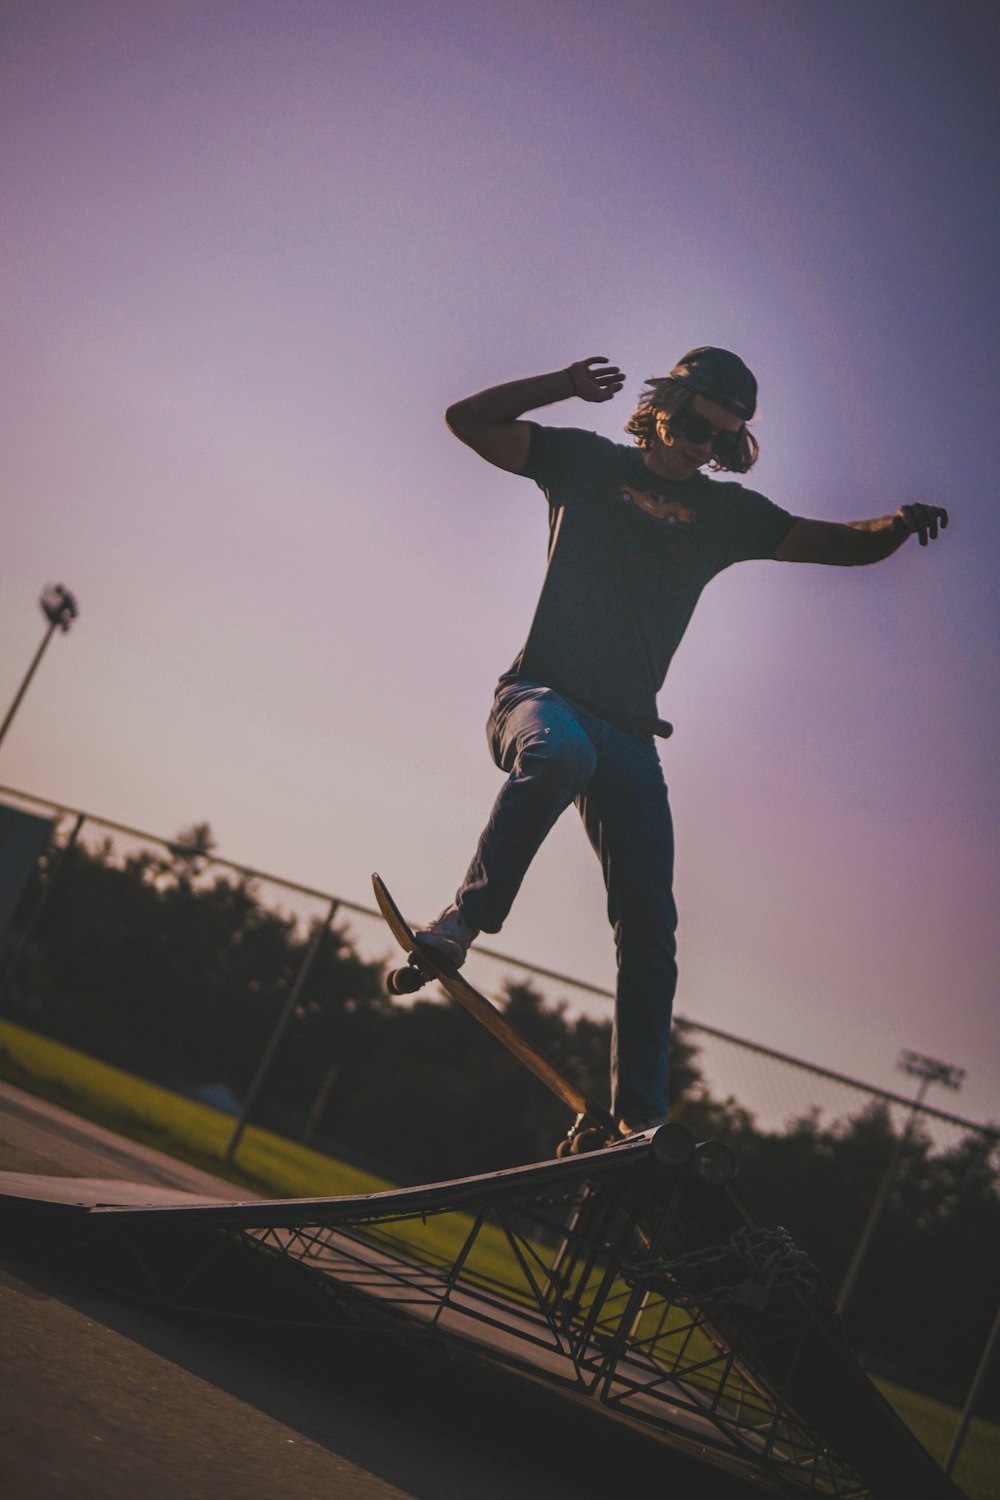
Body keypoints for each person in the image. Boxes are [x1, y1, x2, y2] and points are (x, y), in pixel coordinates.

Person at [415, 348, 948, 1135]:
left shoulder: (728, 518)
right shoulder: (582, 464)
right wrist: (563, 386)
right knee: (565, 753)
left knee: (651, 927)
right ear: (667, 403)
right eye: (698, 425)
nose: (705, 446)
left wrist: (896, 526)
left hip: (631, 733)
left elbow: (839, 542)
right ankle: (463, 923)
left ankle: (638, 1121)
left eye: (722, 439)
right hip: (539, 698)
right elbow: (469, 421)